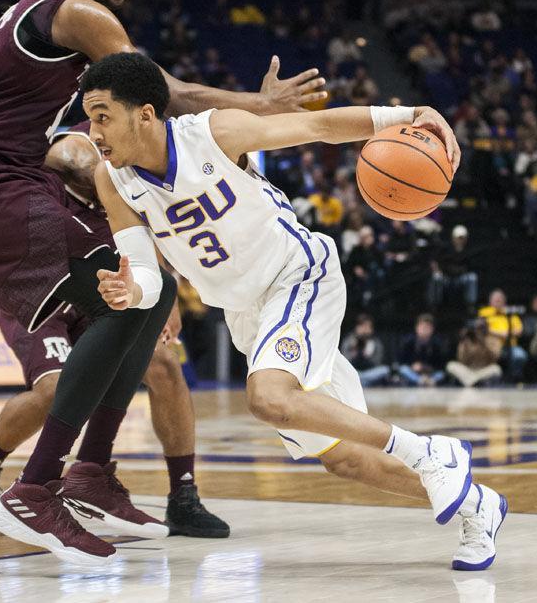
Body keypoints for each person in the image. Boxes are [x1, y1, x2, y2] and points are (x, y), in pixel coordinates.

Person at [0, 0, 324, 569]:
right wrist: (259, 108)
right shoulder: (78, 12)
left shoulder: (60, 22)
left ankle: (88, 474)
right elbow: (160, 91)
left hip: (5, 179)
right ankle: (36, 486)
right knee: (127, 298)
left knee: (148, 290)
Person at [85, 51, 507, 572]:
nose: (94, 131)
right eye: (89, 118)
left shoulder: (211, 133)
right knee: (344, 457)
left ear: (144, 114)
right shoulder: (112, 179)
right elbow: (146, 271)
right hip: (246, 314)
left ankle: (430, 452)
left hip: (299, 274)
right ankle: (477, 505)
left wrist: (408, 114)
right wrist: (134, 291)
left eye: (103, 116)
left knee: (268, 396)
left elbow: (317, 125)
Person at [0, 128, 228, 540]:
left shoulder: (130, 175)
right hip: (40, 293)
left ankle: (182, 495)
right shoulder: (75, 147)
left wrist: (165, 295)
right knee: (56, 389)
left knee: (165, 365)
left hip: (101, 291)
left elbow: (147, 236)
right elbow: (71, 157)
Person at [478, 289, 527, 382]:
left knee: (520, 356)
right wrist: (501, 333)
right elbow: (482, 330)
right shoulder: (484, 313)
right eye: (495, 299)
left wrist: (504, 334)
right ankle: (488, 380)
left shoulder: (511, 314)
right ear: (490, 301)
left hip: (511, 346)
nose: (498, 301)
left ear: (504, 301)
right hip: (491, 346)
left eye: (500, 299)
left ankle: (512, 380)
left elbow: (519, 331)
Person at [446, 320, 502, 388]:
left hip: (484, 370)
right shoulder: (467, 339)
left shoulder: (493, 339)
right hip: (469, 370)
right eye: (477, 328)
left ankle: (470, 382)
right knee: (451, 365)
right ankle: (474, 382)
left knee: (496, 368)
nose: (478, 331)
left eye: (481, 328)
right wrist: (464, 341)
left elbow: (495, 358)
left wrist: (484, 343)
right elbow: (461, 360)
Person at [340, 314, 390, 387]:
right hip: (354, 372)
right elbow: (344, 361)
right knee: (342, 372)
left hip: (369, 372)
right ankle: (363, 383)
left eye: (367, 326)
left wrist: (366, 356)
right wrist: (354, 352)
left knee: (385, 370)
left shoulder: (375, 342)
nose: (364, 329)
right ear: (356, 327)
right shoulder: (349, 340)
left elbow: (377, 362)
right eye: (362, 326)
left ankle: (360, 382)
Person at [398, 314, 447, 387]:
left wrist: (428, 368)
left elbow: (441, 364)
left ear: (432, 329)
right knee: (403, 369)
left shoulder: (438, 344)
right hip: (413, 372)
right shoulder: (408, 342)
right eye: (422, 327)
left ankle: (431, 381)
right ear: (416, 328)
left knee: (441, 374)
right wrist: (412, 366)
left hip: (431, 372)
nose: (424, 329)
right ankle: (420, 381)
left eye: (427, 327)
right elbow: (401, 361)